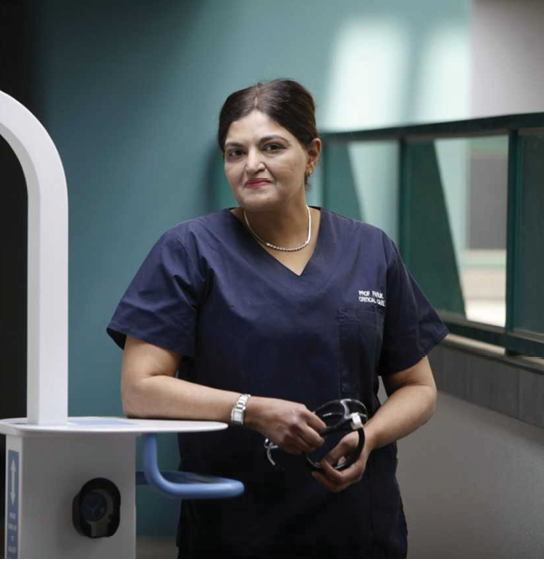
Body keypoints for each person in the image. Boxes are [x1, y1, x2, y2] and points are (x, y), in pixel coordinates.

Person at [106, 79, 448, 558]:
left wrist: (368, 437)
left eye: (272, 147)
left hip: (356, 522)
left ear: (312, 154)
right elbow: (139, 391)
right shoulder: (188, 250)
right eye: (235, 151)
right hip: (236, 524)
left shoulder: (370, 250)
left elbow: (419, 388)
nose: (252, 165)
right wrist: (252, 409)